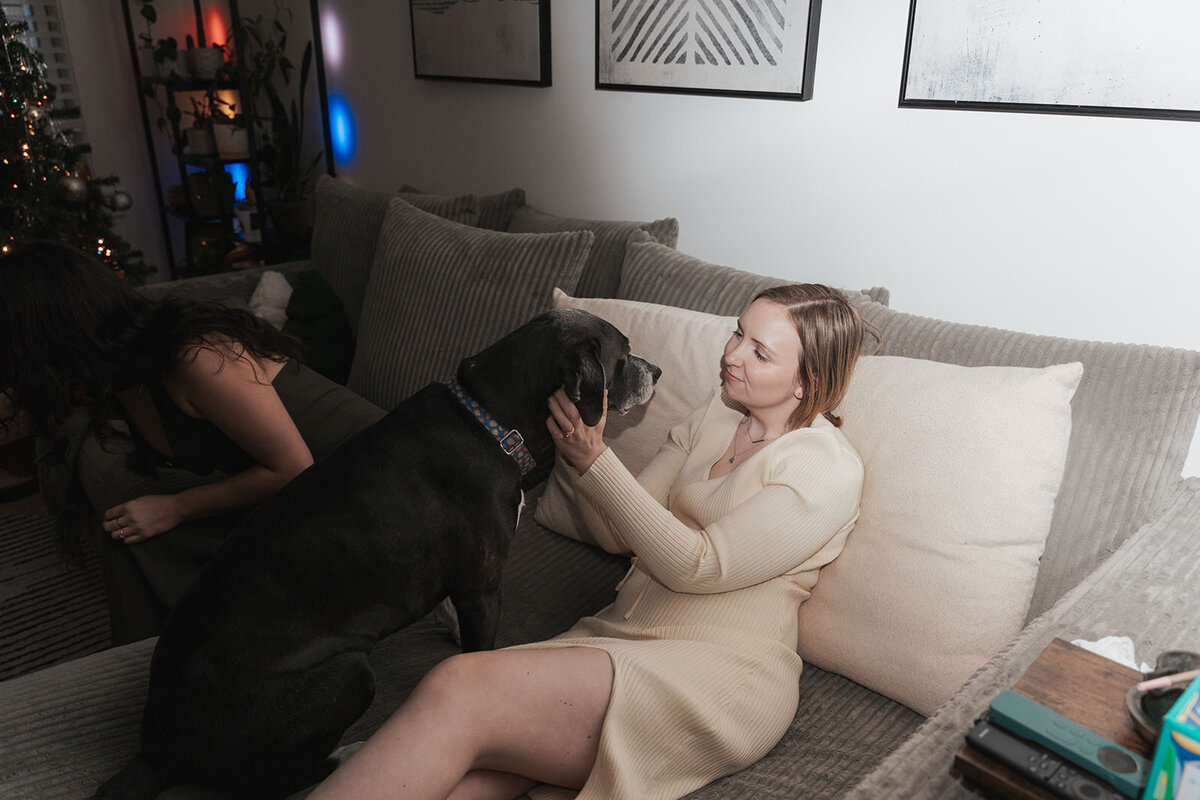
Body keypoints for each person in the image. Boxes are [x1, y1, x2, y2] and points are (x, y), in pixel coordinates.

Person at [308, 283, 870, 800]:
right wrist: (586, 451)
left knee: (457, 685)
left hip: (721, 675)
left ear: (805, 383)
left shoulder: (823, 467)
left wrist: (597, 463)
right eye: (738, 333)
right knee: (471, 772)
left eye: (759, 353)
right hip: (626, 635)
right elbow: (613, 532)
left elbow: (698, 567)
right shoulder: (717, 415)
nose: (732, 355)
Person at [0, 240, 383, 643]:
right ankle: (158, 662)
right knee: (126, 534)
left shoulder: (196, 355)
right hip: (306, 499)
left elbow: (293, 468)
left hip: (375, 495)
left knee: (155, 541)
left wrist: (175, 507)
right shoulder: (119, 377)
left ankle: (190, 661)